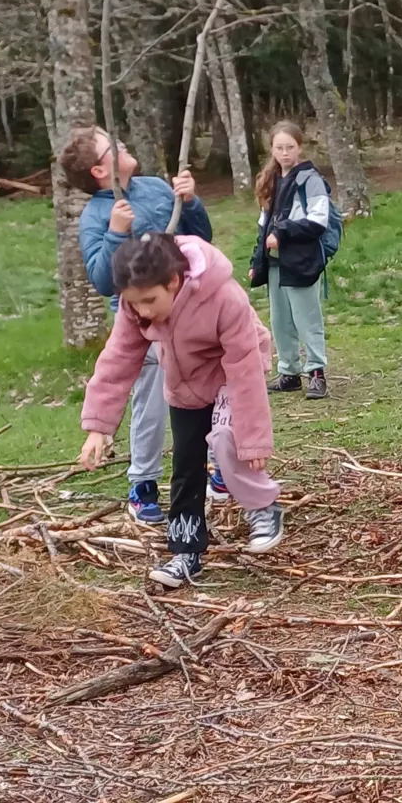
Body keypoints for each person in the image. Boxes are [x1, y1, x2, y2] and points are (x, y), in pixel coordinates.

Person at [79, 231, 282, 588]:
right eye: (134, 303)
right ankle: (185, 552)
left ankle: (263, 506)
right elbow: (119, 359)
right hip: (185, 381)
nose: (143, 311)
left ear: (174, 281)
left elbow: (244, 370)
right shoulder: (135, 307)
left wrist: (253, 440)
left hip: (232, 373)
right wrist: (99, 425)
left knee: (225, 439)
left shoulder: (223, 297)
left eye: (150, 301)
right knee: (186, 466)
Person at [63, 125, 213, 527]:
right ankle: (142, 484)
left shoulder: (155, 189)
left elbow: (200, 241)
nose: (123, 144)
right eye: (113, 146)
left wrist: (190, 202)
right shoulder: (97, 215)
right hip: (141, 323)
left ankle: (217, 467)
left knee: (206, 389)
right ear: (100, 171)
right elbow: (102, 279)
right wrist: (115, 233)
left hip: (186, 311)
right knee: (151, 403)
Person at [250, 121, 332, 400]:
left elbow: (318, 222)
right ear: (271, 149)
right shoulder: (272, 180)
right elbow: (264, 225)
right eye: (279, 148)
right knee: (281, 319)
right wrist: (256, 259)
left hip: (301, 260)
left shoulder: (310, 180)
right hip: (274, 262)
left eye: (290, 147)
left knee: (307, 318)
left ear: (300, 148)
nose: (284, 153)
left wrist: (283, 233)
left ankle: (317, 373)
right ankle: (289, 373)